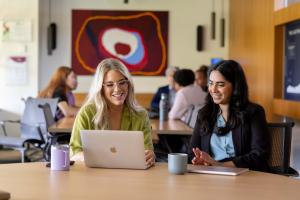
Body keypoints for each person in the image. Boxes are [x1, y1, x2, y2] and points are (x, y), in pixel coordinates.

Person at [69, 58, 155, 166]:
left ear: (128, 84)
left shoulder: (141, 115)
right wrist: (96, 158)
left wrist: (150, 156)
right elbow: (74, 152)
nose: (117, 89)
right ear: (101, 88)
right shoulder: (87, 113)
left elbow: (147, 151)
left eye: (122, 82)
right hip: (95, 176)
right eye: (110, 85)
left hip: (131, 177)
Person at [189, 60, 270, 171]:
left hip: (246, 178)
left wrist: (219, 164)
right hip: (210, 177)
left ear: (235, 86)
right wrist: (198, 160)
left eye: (220, 84)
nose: (213, 89)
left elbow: (259, 155)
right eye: (211, 83)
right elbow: (192, 152)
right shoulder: (204, 114)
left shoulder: (254, 112)